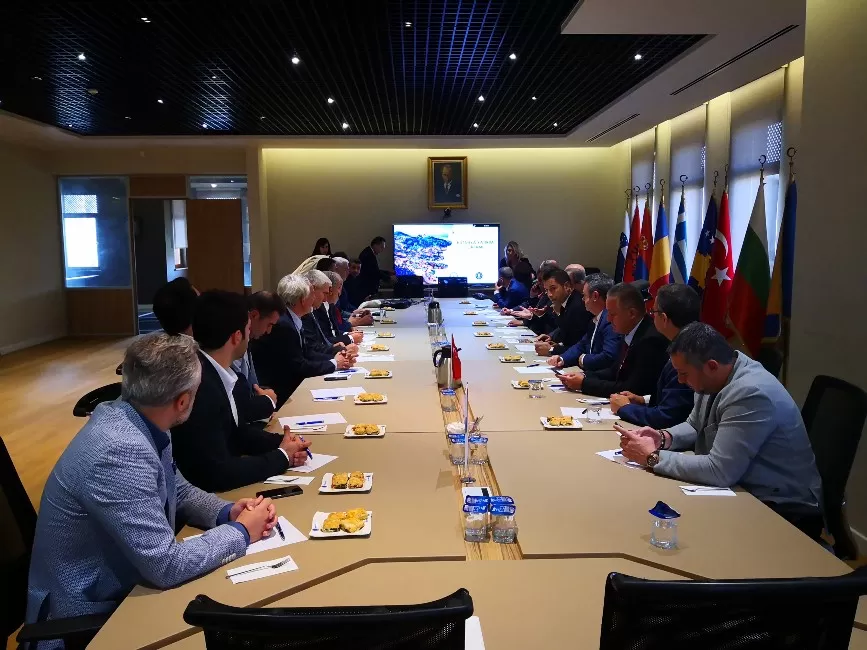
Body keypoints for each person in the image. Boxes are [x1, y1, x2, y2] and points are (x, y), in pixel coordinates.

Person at [25, 333, 278, 630]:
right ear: (183, 401)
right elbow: (166, 565)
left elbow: (177, 489)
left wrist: (227, 512)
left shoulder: (142, 413)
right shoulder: (119, 450)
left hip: (127, 586)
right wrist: (242, 531)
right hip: (93, 617)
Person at [618, 323, 824, 539]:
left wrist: (652, 457)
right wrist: (663, 437)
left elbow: (719, 471)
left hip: (780, 507)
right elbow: (695, 425)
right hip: (742, 488)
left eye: (683, 373)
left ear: (712, 366)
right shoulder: (714, 377)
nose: (680, 380)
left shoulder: (750, 393)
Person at [171, 291, 311, 492]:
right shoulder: (201, 386)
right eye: (247, 328)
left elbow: (235, 433)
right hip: (208, 495)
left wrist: (281, 443)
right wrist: (282, 457)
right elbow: (217, 472)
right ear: (237, 337)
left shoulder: (212, 370)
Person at [252, 275, 354, 407]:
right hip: (281, 393)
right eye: (312, 294)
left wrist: (335, 358)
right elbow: (298, 366)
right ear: (303, 299)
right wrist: (334, 363)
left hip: (291, 385)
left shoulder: (291, 318)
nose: (314, 298)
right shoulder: (283, 325)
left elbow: (308, 353)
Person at [610, 284, 697, 428]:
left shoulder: (686, 354)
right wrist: (643, 400)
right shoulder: (684, 343)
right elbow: (674, 400)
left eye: (653, 311)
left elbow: (668, 417)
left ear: (664, 318)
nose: (651, 315)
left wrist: (625, 408)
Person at [558, 282, 668, 397]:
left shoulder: (650, 341)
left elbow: (632, 389)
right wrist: (584, 376)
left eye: (612, 314)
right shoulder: (629, 329)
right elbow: (614, 371)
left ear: (632, 313)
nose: (608, 319)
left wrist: (584, 384)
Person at [549, 273, 622, 372]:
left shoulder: (610, 321)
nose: (582, 299)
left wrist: (584, 359)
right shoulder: (595, 319)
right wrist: (562, 358)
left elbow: (609, 356)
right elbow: (581, 345)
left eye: (584, 295)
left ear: (595, 296)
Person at [232, 291, 285, 424]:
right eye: (269, 324)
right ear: (254, 315)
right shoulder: (232, 348)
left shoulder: (249, 341)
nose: (269, 331)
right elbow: (238, 403)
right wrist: (267, 401)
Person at [534, 267, 591, 357]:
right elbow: (565, 333)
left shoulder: (578, 307)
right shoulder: (563, 302)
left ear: (567, 286)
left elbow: (577, 347)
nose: (549, 294)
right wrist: (553, 338)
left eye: (553, 288)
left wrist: (552, 349)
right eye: (547, 290)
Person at [300, 270, 359, 356]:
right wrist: (338, 354)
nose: (325, 299)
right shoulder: (304, 314)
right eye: (325, 293)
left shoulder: (315, 309)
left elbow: (321, 342)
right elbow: (311, 351)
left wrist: (335, 348)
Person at [506, 260, 558, 334]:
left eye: (540, 280)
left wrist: (531, 316)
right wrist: (532, 298)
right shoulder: (543, 294)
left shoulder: (554, 296)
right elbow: (537, 313)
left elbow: (554, 324)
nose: (538, 283)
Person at [321, 271, 364, 345]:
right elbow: (324, 339)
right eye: (339, 287)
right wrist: (350, 338)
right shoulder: (317, 310)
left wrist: (347, 333)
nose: (340, 293)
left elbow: (333, 332)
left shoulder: (330, 306)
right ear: (330, 289)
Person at [332, 256, 373, 327]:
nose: (348, 272)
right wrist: (354, 321)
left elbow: (340, 311)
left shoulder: (344, 283)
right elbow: (335, 319)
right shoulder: (333, 286)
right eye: (346, 269)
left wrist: (356, 313)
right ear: (336, 269)